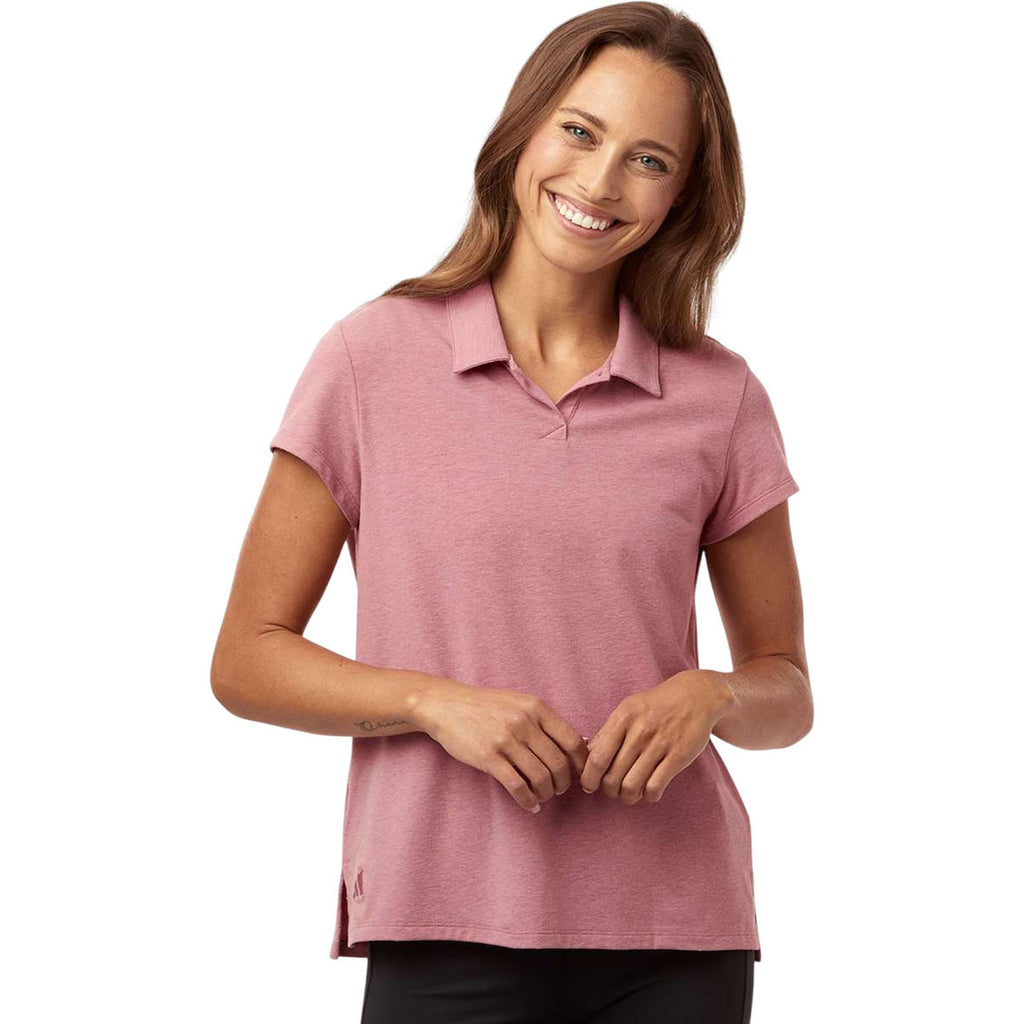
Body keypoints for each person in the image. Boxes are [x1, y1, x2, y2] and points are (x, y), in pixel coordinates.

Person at [211, 3, 812, 1021]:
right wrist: (429, 701)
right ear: (524, 130)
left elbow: (786, 689)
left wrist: (710, 695)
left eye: (649, 160)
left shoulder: (722, 397)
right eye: (579, 130)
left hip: (677, 935)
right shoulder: (369, 360)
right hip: (443, 915)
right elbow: (245, 659)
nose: (600, 182)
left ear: (681, 195)